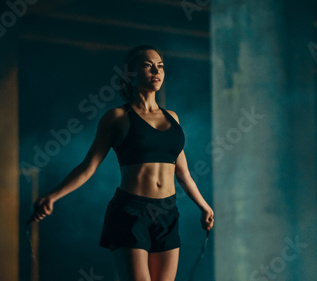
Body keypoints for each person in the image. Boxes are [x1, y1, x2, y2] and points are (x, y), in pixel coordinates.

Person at [31, 45, 214, 281]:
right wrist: (52, 196)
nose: (156, 70)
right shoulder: (117, 117)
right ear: (130, 73)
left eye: (160, 66)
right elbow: (89, 166)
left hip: (167, 212)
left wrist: (204, 206)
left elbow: (183, 173)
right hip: (131, 212)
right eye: (148, 65)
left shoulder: (173, 118)